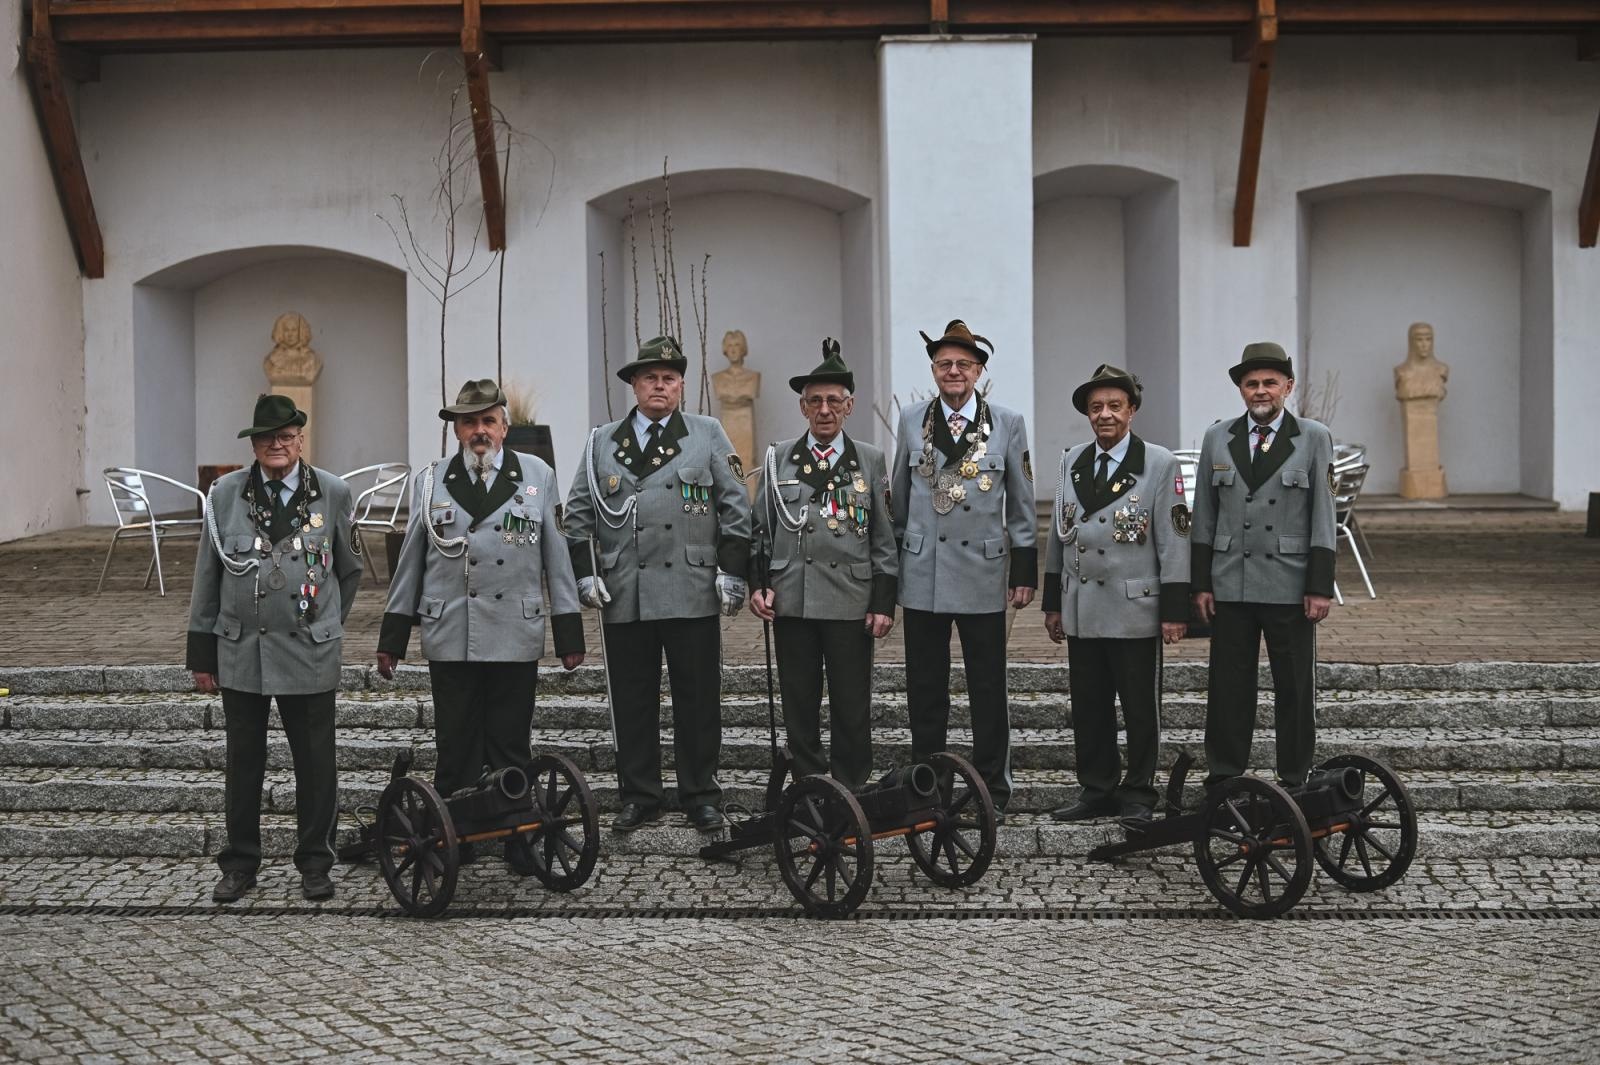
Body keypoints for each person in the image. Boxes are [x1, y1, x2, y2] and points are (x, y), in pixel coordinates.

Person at [376, 379, 584, 869]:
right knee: (456, 743)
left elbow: (557, 557)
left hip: (515, 628)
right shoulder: (431, 480)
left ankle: (518, 838)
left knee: (511, 742)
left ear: (504, 427)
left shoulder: (537, 475)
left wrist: (569, 632)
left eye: (488, 421)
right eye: (469, 422)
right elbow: (411, 562)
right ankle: (458, 835)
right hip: (453, 630)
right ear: (456, 431)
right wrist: (393, 637)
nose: (479, 431)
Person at [564, 337, 753, 833]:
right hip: (626, 590)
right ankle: (639, 793)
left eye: (669, 378)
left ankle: (701, 793)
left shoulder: (706, 433)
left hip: (692, 587)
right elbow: (578, 514)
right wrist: (586, 572)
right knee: (632, 700)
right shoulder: (602, 441)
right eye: (650, 378)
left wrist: (732, 570)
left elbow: (736, 506)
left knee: (698, 699)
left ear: (681, 386)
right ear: (634, 384)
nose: (660, 386)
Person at [186, 393, 362, 903]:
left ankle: (315, 862)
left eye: (286, 436)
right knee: (244, 762)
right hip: (242, 649)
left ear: (300, 440)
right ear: (254, 444)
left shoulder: (332, 492)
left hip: (309, 650)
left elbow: (349, 571)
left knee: (315, 763)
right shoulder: (225, 494)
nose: (276, 445)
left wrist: (323, 622)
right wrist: (201, 654)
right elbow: (208, 574)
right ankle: (240, 863)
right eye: (267, 438)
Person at [890, 319, 1036, 820]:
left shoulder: (1008, 422)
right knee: (925, 687)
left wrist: (1023, 570)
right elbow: (900, 496)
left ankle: (992, 785)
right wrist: (894, 567)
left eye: (963, 365)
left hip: (982, 572)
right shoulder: (912, 419)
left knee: (987, 687)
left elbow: (1021, 502)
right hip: (924, 571)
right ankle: (926, 782)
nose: (953, 372)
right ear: (933, 370)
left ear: (978, 372)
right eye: (944, 364)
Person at [1043, 365, 1189, 825]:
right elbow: (1059, 533)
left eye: (1114, 406)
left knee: (1140, 708)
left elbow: (1174, 539)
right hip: (1083, 605)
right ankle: (1097, 788)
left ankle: (1139, 791)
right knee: (1089, 706)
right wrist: (1053, 603)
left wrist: (1175, 609)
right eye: (1096, 408)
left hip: (1134, 607)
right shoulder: (1072, 460)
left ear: (1132, 410)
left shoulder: (1159, 463)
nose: (1104, 415)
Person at [748, 339, 896, 791]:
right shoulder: (778, 459)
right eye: (815, 401)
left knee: (851, 703)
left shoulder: (869, 459)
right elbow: (760, 531)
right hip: (792, 598)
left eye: (834, 401)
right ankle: (809, 789)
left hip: (850, 600)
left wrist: (883, 603)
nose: (824, 410)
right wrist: (758, 585)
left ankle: (852, 788)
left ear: (849, 406)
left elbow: (884, 538)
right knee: (799, 702)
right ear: (803, 407)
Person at [1191, 342, 1337, 789]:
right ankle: (1224, 776)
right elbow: (1204, 515)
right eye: (1251, 383)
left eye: (1270, 382)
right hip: (1230, 580)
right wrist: (1201, 583)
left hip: (1288, 582)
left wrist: (1319, 586)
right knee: (1228, 688)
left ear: (1287, 387)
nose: (1260, 391)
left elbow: (1323, 515)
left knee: (1294, 687)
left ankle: (1294, 777)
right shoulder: (1218, 437)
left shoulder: (1313, 437)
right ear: (1241, 389)